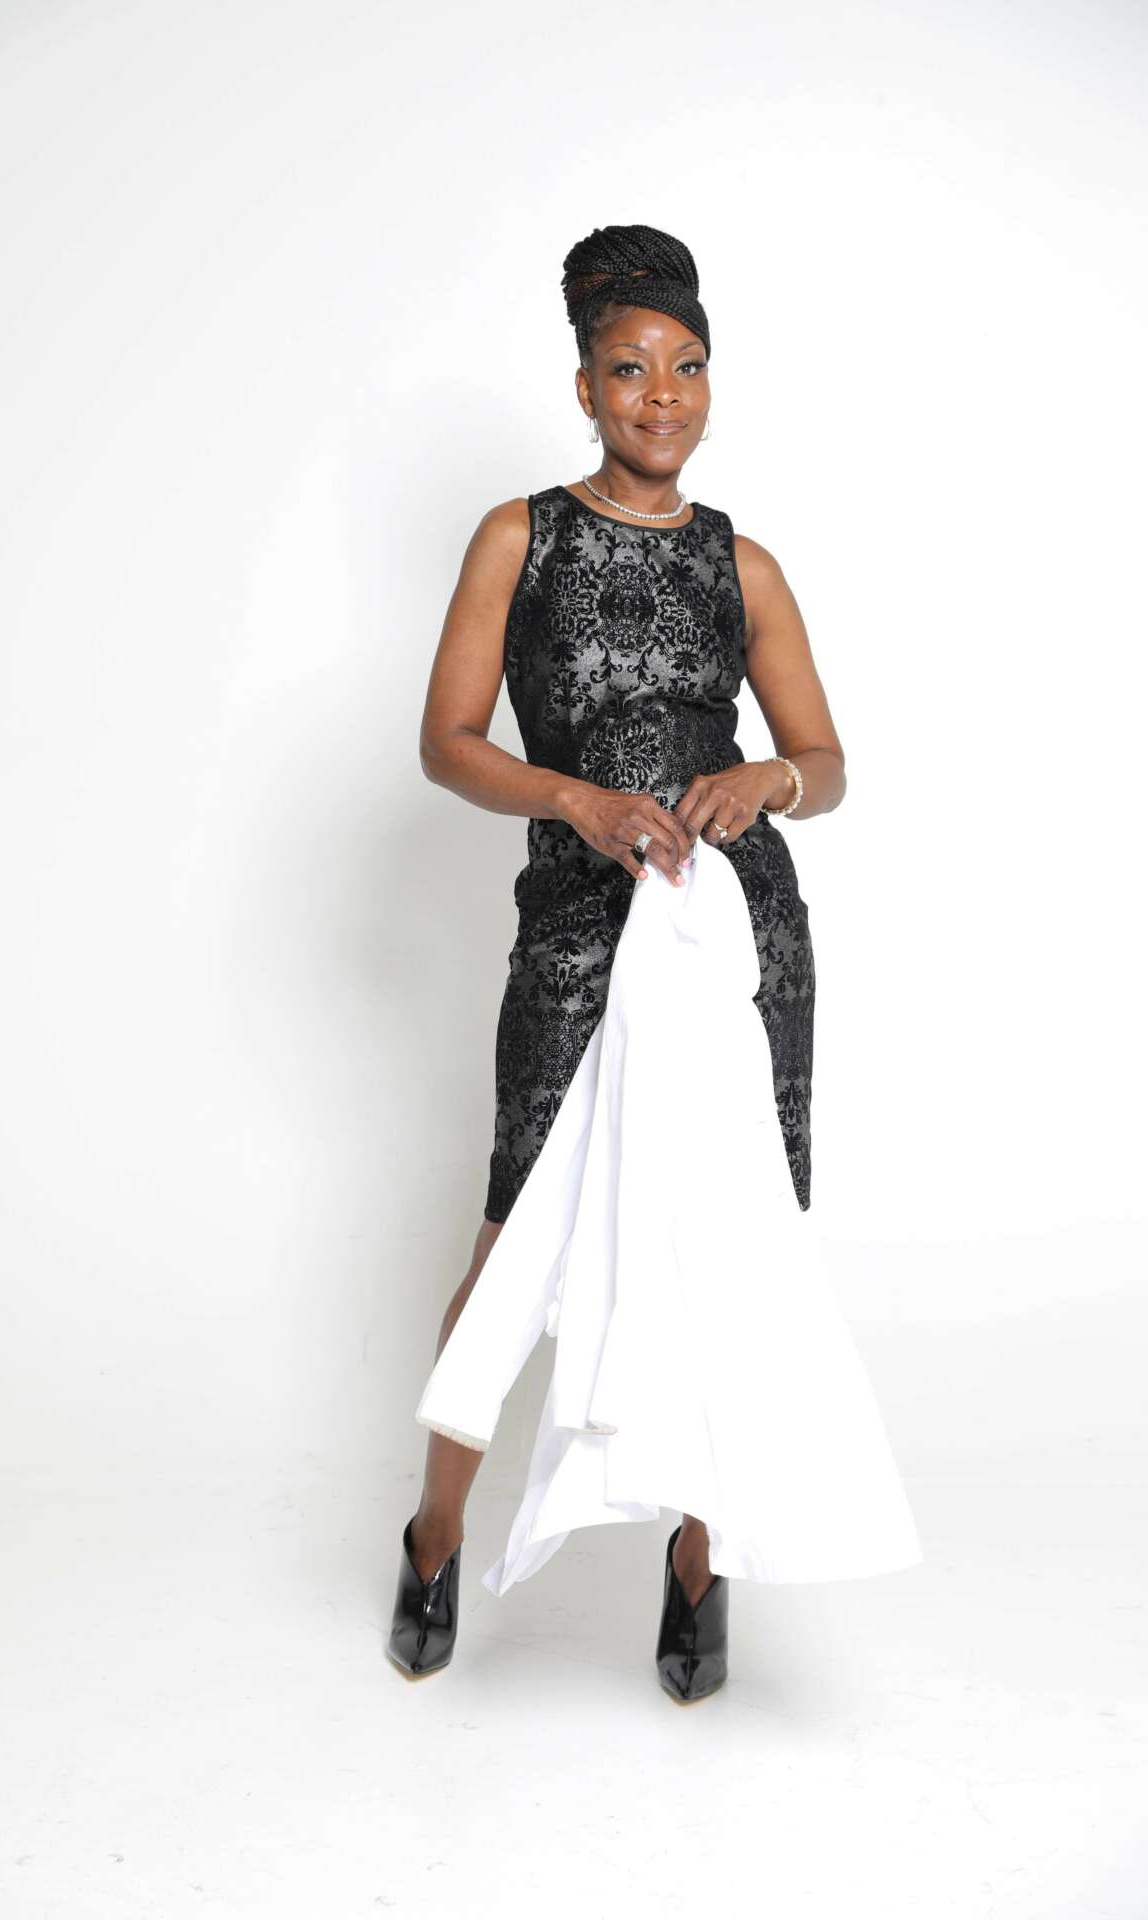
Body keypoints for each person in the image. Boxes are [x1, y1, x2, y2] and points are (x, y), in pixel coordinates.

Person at [389, 223, 850, 1696]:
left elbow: (828, 761)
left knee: (731, 1244)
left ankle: (701, 1566)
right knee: (511, 1243)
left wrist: (769, 779)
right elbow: (447, 742)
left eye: (687, 367)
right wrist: (577, 802)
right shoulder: (518, 537)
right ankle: (435, 1536)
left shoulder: (744, 563)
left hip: (733, 932)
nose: (663, 394)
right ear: (584, 386)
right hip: (580, 931)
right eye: (631, 368)